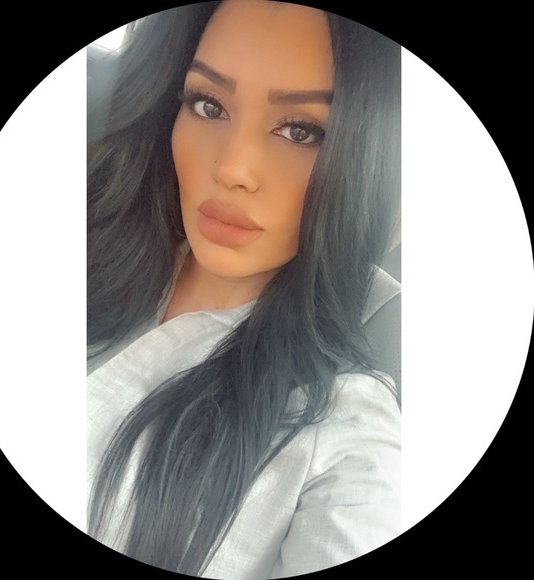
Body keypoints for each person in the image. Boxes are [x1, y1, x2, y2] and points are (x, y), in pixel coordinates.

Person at [87, 1, 401, 577]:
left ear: (364, 159)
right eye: (208, 104)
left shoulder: (343, 422)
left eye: (301, 130)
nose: (232, 167)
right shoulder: (83, 248)